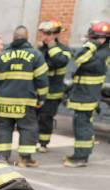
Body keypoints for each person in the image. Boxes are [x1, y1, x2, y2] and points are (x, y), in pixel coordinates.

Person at [0, 25, 49, 167]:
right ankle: (25, 159)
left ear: (13, 38)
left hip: (2, 103)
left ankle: (2, 158)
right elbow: (42, 80)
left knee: (3, 129)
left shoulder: (2, 56)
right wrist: (42, 98)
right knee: (27, 129)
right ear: (27, 38)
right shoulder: (36, 55)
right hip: (25, 103)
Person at [64, 21, 110, 167]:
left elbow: (79, 58)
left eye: (98, 38)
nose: (96, 40)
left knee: (82, 126)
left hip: (86, 96)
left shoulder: (101, 53)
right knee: (84, 124)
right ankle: (83, 153)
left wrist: (90, 44)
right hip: (85, 95)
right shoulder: (101, 51)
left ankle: (80, 157)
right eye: (94, 37)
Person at [37, 20, 72, 153]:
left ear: (56, 34)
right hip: (38, 91)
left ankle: (43, 143)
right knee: (34, 118)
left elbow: (59, 61)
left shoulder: (64, 50)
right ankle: (32, 140)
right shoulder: (40, 49)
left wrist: (52, 46)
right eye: (43, 33)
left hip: (53, 93)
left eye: (48, 34)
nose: (44, 37)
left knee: (46, 118)